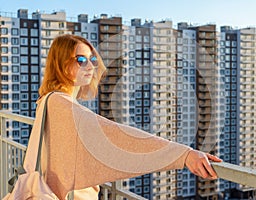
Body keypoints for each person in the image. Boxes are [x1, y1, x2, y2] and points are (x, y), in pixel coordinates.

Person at [32, 34, 222, 199]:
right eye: (81, 60)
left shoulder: (48, 100)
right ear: (61, 64)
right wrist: (183, 155)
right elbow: (115, 136)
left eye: (92, 60)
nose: (90, 66)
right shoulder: (60, 104)